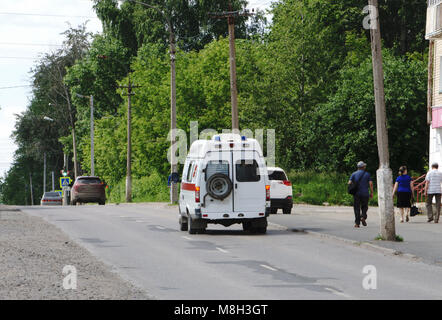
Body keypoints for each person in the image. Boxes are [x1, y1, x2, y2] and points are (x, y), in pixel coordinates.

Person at [348, 161, 374, 228]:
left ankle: (357, 223)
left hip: (356, 194)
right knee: (365, 206)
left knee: (356, 208)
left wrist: (353, 186)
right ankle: (363, 217)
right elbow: (370, 184)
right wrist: (371, 192)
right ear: (363, 167)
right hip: (365, 193)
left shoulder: (353, 174)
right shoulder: (367, 174)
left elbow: (349, 182)